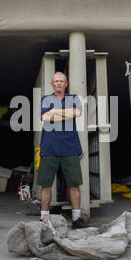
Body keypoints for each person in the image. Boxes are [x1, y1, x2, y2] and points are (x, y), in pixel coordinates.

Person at [37, 71, 88, 229]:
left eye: (61, 81)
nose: (59, 83)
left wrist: (54, 111)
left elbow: (77, 113)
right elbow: (45, 118)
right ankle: (44, 219)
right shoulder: (46, 99)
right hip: (49, 148)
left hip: (70, 148)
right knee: (45, 185)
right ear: (52, 84)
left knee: (74, 184)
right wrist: (65, 114)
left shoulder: (73, 99)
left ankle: (77, 219)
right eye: (56, 81)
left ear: (66, 84)